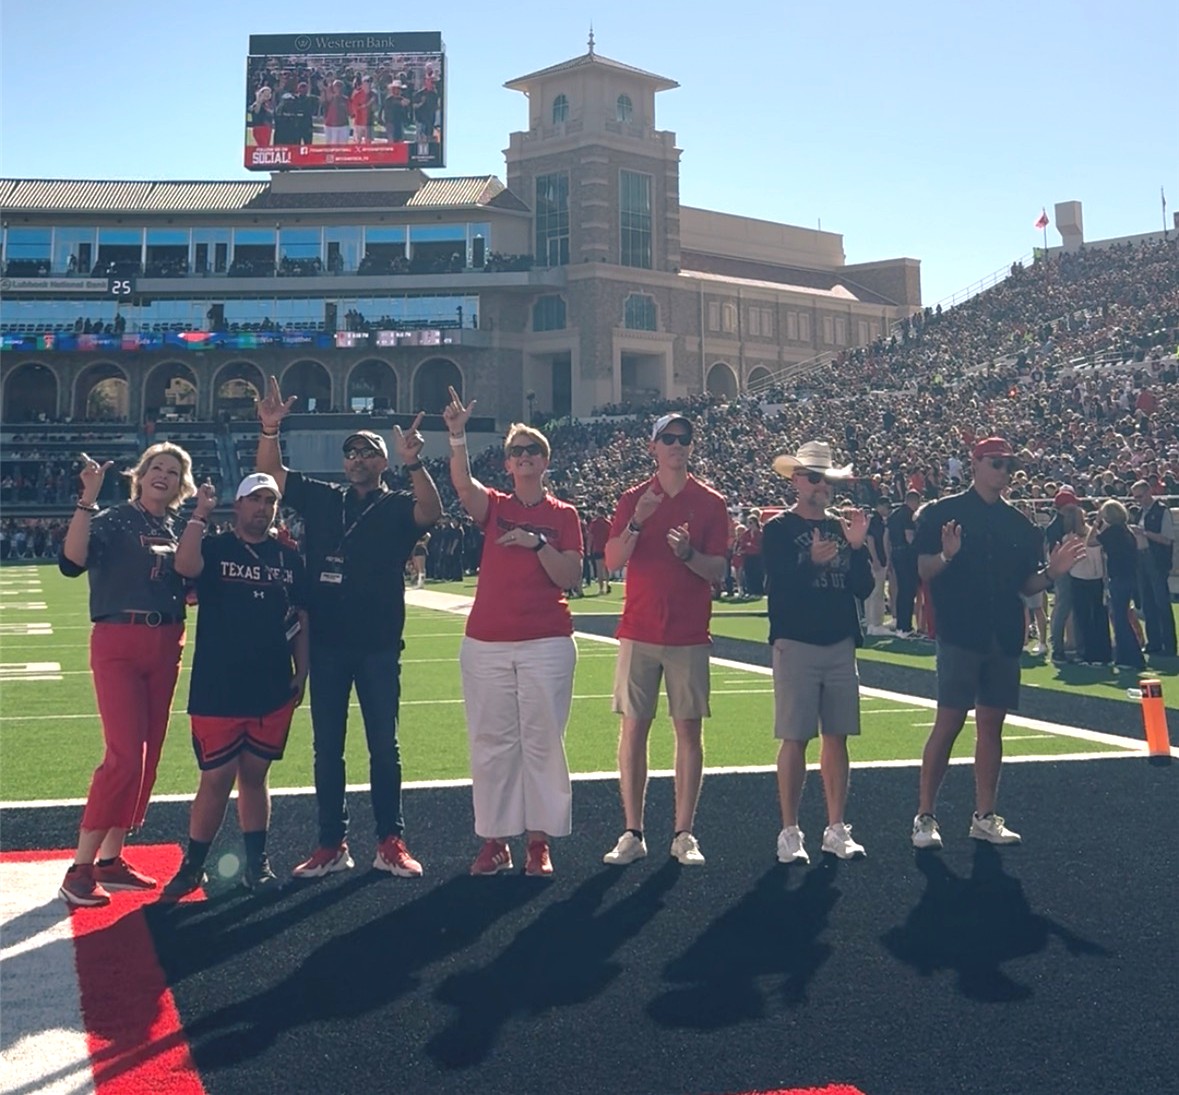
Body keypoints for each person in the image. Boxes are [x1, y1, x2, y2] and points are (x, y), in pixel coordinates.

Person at [255, 376, 442, 879]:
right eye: (351, 452)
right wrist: (270, 430)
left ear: (383, 462)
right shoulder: (324, 497)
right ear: (344, 462)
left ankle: (389, 839)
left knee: (384, 746)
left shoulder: (396, 503)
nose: (358, 459)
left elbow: (432, 510)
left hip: (378, 643)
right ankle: (331, 842)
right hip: (329, 645)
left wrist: (415, 462)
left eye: (368, 452)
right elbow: (271, 475)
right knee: (327, 749)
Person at [910, 437, 1086, 850]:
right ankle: (925, 815)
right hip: (960, 631)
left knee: (992, 725)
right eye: (996, 463)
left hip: (1003, 633)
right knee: (949, 721)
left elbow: (1025, 583)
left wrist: (1052, 573)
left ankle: (985, 816)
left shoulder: (1020, 524)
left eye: (1009, 465)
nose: (1004, 471)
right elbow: (923, 570)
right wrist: (948, 555)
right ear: (974, 463)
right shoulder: (942, 512)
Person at [444, 388, 584, 876]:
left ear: (545, 461)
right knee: (492, 743)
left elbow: (570, 576)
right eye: (517, 451)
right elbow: (463, 486)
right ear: (507, 464)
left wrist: (535, 543)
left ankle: (539, 841)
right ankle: (496, 839)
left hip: (546, 640)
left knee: (542, 741)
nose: (524, 456)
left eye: (532, 450)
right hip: (487, 641)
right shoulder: (496, 505)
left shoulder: (564, 515)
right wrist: (457, 436)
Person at [57, 444, 196, 907]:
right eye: (157, 467)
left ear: (181, 485)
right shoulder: (114, 519)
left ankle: (111, 859)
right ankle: (79, 868)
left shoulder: (176, 526)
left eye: (173, 471)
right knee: (123, 756)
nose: (164, 475)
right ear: (140, 474)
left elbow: (191, 582)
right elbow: (71, 562)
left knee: (147, 756)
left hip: (168, 640)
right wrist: (87, 498)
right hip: (119, 637)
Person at [161, 473, 309, 901]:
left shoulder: (288, 557)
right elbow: (184, 566)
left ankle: (256, 863)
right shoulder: (215, 547)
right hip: (218, 685)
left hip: (271, 684)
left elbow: (301, 617)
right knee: (216, 778)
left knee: (256, 776)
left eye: (270, 501)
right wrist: (200, 513)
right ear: (239, 504)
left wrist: (302, 670)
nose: (263, 507)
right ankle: (194, 865)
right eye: (255, 499)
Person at [601, 413, 729, 867]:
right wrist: (638, 521)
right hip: (639, 628)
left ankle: (683, 833)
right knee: (633, 729)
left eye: (684, 438)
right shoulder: (633, 499)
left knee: (688, 731)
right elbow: (612, 559)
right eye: (668, 438)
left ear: (692, 446)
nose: (677, 444)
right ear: (653, 446)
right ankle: (632, 831)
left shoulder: (711, 502)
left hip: (688, 633)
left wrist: (688, 554)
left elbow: (718, 570)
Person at [764, 442, 875, 863]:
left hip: (840, 641)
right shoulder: (777, 528)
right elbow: (776, 585)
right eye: (813, 478)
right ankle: (789, 831)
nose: (821, 486)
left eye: (826, 479)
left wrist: (858, 548)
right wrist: (809, 562)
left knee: (837, 736)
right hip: (796, 640)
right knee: (795, 737)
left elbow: (863, 588)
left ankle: (835, 827)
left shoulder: (841, 528)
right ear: (796, 480)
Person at [1094, 499, 1146, 670]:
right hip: (1128, 577)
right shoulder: (1127, 531)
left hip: (1119, 578)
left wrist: (1096, 523)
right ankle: (1125, 656)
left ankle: (1132, 657)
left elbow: (1091, 541)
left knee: (1120, 619)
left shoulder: (1113, 532)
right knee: (1121, 617)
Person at [1130, 480, 1176, 656]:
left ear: (1149, 492)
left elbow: (1167, 539)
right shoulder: (1140, 512)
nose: (1138, 500)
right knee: (1147, 603)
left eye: (1140, 496)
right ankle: (1154, 642)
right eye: (1135, 497)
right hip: (1141, 558)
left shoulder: (1162, 511)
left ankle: (1169, 644)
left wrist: (1144, 533)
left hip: (1156, 559)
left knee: (1161, 603)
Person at [887, 490, 922, 637]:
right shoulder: (908, 515)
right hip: (907, 555)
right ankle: (905, 627)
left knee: (902, 590)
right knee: (908, 590)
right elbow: (909, 537)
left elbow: (887, 537)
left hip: (895, 553)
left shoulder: (894, 514)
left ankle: (901, 625)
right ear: (913, 501)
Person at [864, 497, 892, 635]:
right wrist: (875, 559)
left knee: (872, 593)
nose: (888, 510)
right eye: (887, 507)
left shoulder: (876, 520)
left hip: (875, 558)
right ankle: (875, 624)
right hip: (876, 559)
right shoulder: (874, 520)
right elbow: (870, 540)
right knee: (877, 592)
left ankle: (870, 623)